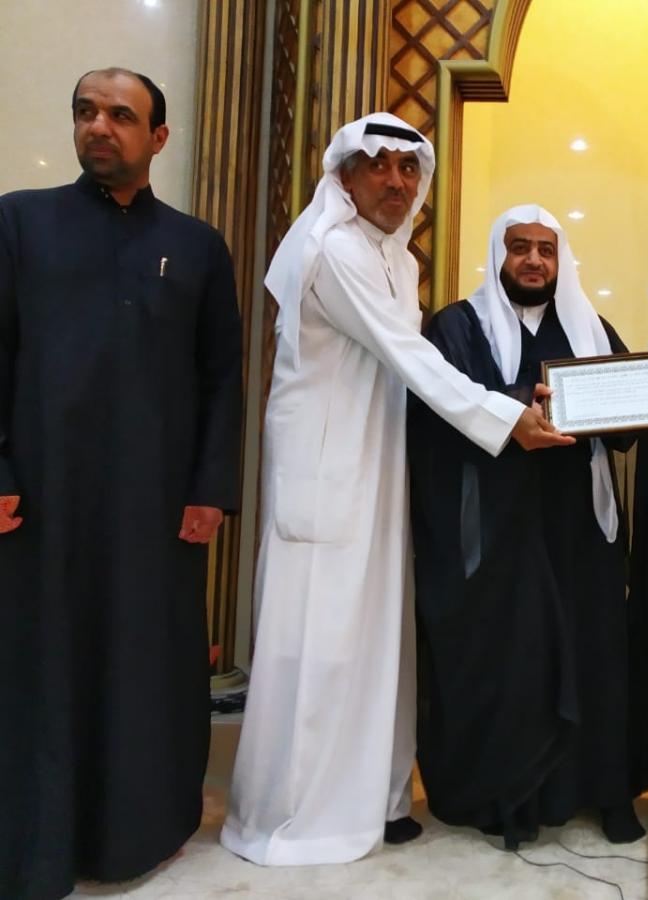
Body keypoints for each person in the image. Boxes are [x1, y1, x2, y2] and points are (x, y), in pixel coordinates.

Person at [220, 114, 570, 867]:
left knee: (378, 635)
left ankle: (373, 800)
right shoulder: (333, 249)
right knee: (321, 640)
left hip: (380, 465)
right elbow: (408, 354)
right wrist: (506, 417)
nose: (395, 181)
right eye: (377, 165)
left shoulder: (399, 259)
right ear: (344, 177)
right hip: (327, 468)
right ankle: (294, 815)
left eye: (409, 168)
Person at [0, 68, 243, 900]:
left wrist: (211, 487)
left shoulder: (198, 245)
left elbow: (222, 377)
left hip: (157, 507)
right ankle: (36, 842)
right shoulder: (18, 223)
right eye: (85, 112)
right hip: (42, 499)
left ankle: (138, 832)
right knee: (43, 662)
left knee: (143, 662)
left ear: (158, 137)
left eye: (120, 115)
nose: (98, 127)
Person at [408, 205, 648, 849]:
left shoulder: (592, 329)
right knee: (515, 656)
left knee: (595, 647)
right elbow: (434, 418)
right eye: (520, 247)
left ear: (561, 261)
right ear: (498, 255)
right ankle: (514, 798)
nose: (533, 260)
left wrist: (647, 402)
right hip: (497, 530)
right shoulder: (457, 327)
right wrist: (513, 411)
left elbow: (628, 428)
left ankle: (606, 790)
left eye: (546, 250)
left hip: (579, 525)